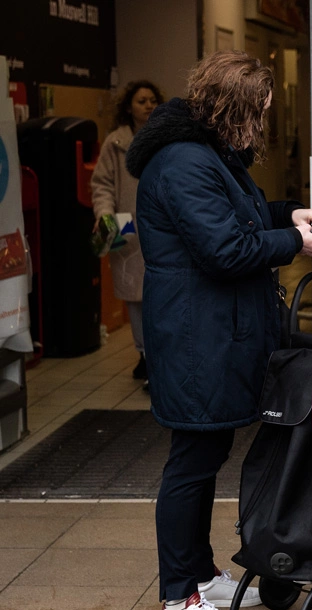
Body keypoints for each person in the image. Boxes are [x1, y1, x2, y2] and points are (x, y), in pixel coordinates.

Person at [126, 50, 312, 610]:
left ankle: (197, 572)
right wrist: (294, 240)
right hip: (196, 339)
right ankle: (179, 601)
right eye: (259, 110)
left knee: (205, 457)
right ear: (235, 107)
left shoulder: (207, 153)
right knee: (191, 463)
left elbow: (238, 218)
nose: (262, 122)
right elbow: (225, 249)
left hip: (210, 332)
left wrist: (286, 212)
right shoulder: (185, 161)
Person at [90, 80, 164, 385]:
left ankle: (159, 357)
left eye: (152, 100)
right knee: (136, 297)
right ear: (128, 107)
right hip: (127, 226)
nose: (147, 106)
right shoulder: (115, 143)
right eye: (140, 101)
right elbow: (102, 184)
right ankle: (145, 356)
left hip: (161, 227)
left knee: (162, 295)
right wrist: (105, 216)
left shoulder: (165, 138)